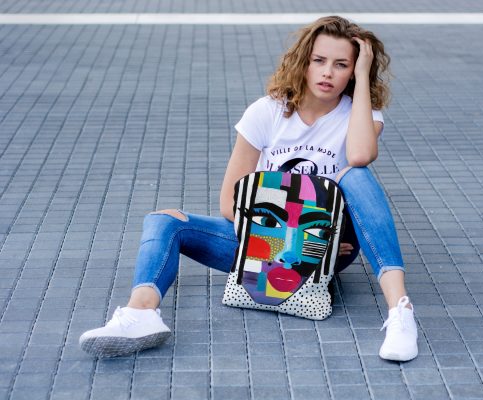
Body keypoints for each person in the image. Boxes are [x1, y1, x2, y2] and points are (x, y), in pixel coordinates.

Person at [79, 15, 418, 362]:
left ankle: (400, 312)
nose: (327, 72)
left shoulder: (361, 114)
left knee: (356, 175)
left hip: (328, 250)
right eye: (319, 60)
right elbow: (230, 202)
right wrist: (288, 239)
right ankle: (141, 314)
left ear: (354, 71)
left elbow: (360, 155)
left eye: (342, 65)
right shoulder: (267, 112)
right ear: (303, 61)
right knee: (163, 220)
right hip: (262, 246)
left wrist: (363, 77)